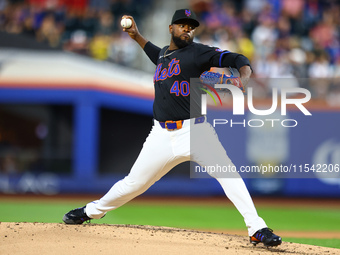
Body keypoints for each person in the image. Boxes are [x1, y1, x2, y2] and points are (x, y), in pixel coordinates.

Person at [63, 9, 282, 247]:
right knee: (133, 184)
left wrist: (245, 74)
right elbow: (155, 53)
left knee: (229, 175)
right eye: (182, 24)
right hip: (161, 135)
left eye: (191, 26)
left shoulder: (198, 52)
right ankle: (91, 211)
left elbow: (236, 58)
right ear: (171, 28)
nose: (187, 29)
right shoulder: (164, 56)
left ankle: (257, 228)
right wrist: (136, 36)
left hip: (196, 132)